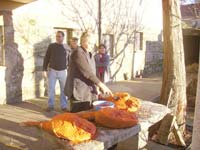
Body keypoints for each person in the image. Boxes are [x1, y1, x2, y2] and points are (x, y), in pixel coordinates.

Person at [64, 32, 112, 112]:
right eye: (88, 42)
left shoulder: (89, 54)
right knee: (78, 119)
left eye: (92, 43)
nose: (91, 45)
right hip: (79, 92)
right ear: (82, 41)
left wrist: (96, 86)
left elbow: (93, 72)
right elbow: (87, 72)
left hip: (88, 92)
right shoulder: (78, 53)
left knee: (89, 117)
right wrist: (102, 85)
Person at [43, 31, 69, 112]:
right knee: (51, 89)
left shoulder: (66, 47)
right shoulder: (51, 46)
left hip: (63, 71)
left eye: (59, 36)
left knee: (64, 90)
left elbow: (70, 59)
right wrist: (44, 70)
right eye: (57, 36)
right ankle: (50, 106)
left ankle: (64, 106)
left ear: (63, 37)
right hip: (52, 71)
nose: (58, 38)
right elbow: (46, 58)